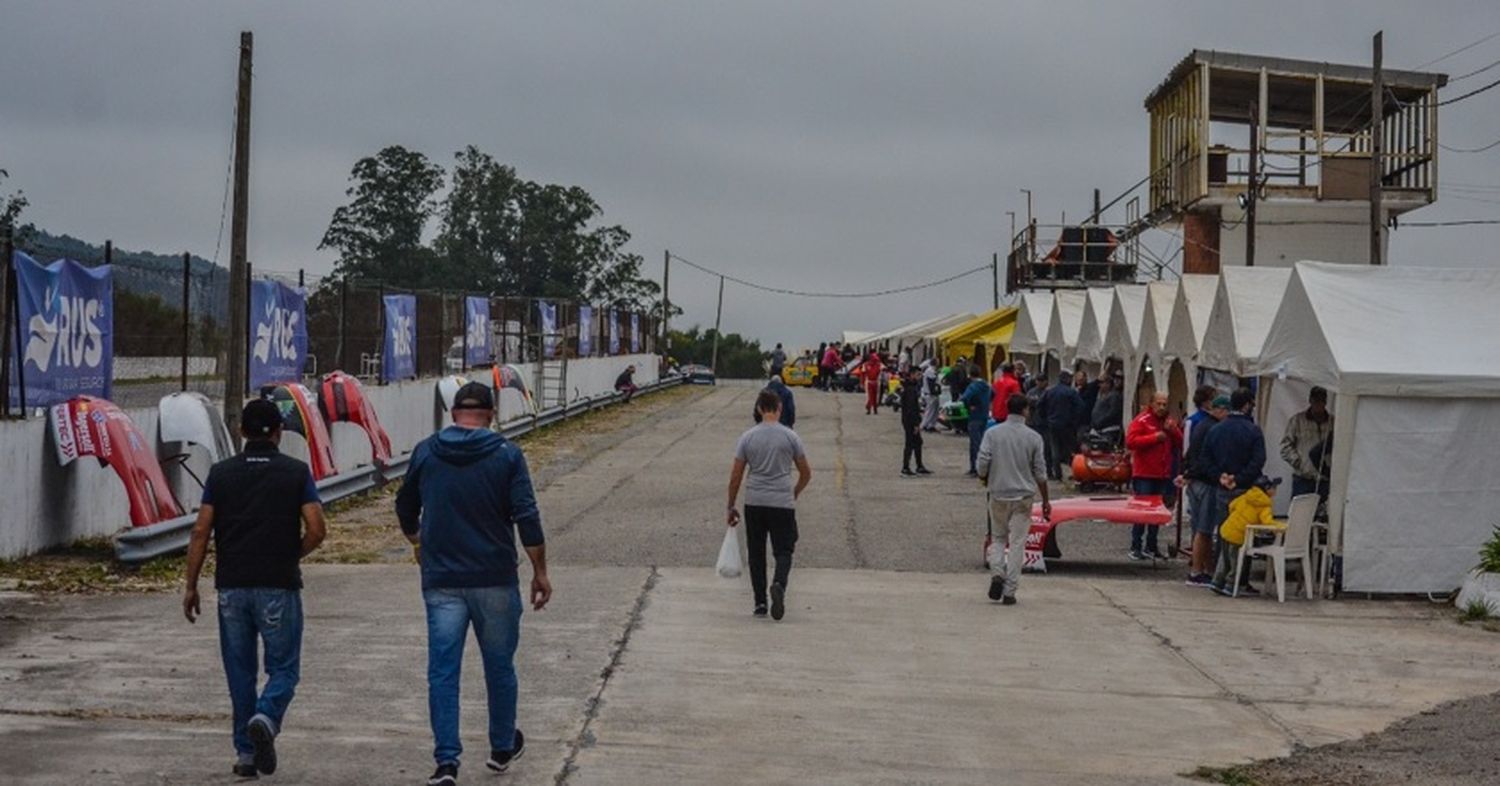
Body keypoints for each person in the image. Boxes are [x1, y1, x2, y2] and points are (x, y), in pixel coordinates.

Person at [396, 382, 551, 786]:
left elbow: (404, 504)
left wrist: (417, 539)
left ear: (452, 414)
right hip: (495, 579)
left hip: (442, 580)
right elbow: (527, 517)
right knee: (499, 666)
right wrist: (540, 571)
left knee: (443, 672)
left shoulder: (427, 451)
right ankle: (502, 747)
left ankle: (447, 763)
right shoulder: (507, 455)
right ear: (492, 413)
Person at [183, 399, 327, 779]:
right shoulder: (296, 473)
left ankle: (246, 755)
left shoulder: (221, 474)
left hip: (232, 586)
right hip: (279, 584)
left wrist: (191, 585)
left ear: (241, 433)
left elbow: (200, 531)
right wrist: (292, 555)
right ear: (279, 432)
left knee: (240, 673)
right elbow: (317, 528)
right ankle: (266, 716)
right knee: (283, 669)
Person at [726, 389, 812, 620]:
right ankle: (779, 584)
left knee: (756, 552)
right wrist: (794, 491)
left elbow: (736, 476)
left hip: (755, 501)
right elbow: (805, 472)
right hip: (782, 502)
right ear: (780, 408)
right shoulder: (790, 437)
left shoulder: (747, 437)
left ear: (759, 409)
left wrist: (731, 505)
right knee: (784, 550)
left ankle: (760, 603)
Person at [976, 393, 1052, 605]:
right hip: (1023, 496)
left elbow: (982, 462)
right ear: (1026, 410)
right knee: (1017, 542)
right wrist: (1045, 501)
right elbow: (1041, 473)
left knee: (998, 538)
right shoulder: (1034, 437)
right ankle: (1010, 591)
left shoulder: (992, 434)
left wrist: (985, 477)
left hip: (998, 492)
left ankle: (997, 573)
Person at [1202, 387, 1268, 593]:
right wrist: (1239, 479)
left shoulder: (1216, 429)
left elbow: (1205, 459)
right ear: (1247, 405)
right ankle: (1237, 579)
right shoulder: (1254, 431)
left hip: (1222, 489)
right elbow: (1258, 460)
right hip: (1245, 491)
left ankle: (1219, 577)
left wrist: (1221, 477)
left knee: (1225, 533)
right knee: (1243, 537)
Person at [1125, 391, 1182, 561]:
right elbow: (1131, 442)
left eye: (1165, 404)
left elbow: (1180, 443)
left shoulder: (1169, 422)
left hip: (1162, 474)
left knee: (1157, 512)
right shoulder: (1142, 420)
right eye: (1159, 403)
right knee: (1141, 511)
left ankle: (1152, 546)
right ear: (1152, 403)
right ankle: (1136, 546)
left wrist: (1174, 431)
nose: (1162, 407)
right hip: (1144, 474)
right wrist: (1154, 438)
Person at [1180, 394, 1229, 586]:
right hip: (1205, 482)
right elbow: (1208, 459)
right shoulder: (1212, 429)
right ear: (1218, 410)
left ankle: (1205, 570)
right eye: (1226, 411)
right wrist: (1219, 476)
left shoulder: (1201, 425)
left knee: (1201, 528)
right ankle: (1196, 572)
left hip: (1195, 481)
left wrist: (1186, 474)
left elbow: (1190, 453)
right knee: (1204, 529)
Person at [1210, 476, 1282, 596]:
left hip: (1227, 529)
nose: (1275, 491)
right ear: (1267, 489)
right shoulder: (1264, 505)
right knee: (1236, 561)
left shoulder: (1246, 496)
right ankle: (1230, 585)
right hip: (1239, 535)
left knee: (1224, 558)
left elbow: (1231, 505)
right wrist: (1282, 527)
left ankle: (1217, 582)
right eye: (1274, 488)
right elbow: (1268, 522)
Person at [1281, 386, 1334, 503]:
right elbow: (1285, 446)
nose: (1318, 404)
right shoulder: (1297, 420)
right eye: (1316, 401)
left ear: (1325, 402)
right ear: (1310, 401)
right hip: (1303, 479)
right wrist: (1299, 463)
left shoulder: (1333, 422)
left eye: (1321, 401)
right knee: (1300, 516)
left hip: (1325, 480)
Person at [1037, 373, 1084, 481]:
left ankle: (1057, 473)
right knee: (1071, 448)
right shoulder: (1071, 392)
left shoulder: (1049, 391)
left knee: (1055, 448)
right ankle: (1076, 472)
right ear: (1068, 380)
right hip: (1068, 425)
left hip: (1052, 424)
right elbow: (1081, 406)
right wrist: (1074, 420)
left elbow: (1040, 405)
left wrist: (1045, 418)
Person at [959, 364, 994, 477]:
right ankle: (984, 466)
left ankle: (975, 467)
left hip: (974, 416)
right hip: (984, 415)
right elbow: (994, 394)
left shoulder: (973, 386)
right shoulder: (986, 385)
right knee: (983, 442)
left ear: (970, 375)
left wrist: (969, 406)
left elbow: (964, 398)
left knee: (975, 443)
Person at [899, 367, 930, 476]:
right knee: (910, 442)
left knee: (918, 442)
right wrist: (916, 424)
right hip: (910, 421)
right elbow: (911, 408)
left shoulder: (909, 387)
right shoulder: (910, 389)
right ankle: (905, 467)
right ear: (912, 375)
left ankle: (919, 465)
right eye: (918, 375)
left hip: (908, 419)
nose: (919, 377)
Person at [920, 360, 942, 432]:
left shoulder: (933, 370)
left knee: (935, 410)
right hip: (931, 394)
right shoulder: (930, 371)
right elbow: (931, 383)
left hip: (933, 394)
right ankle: (925, 425)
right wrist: (934, 392)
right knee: (930, 410)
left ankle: (931, 425)